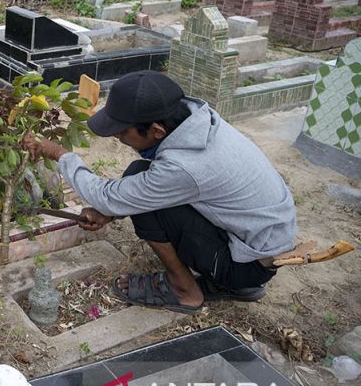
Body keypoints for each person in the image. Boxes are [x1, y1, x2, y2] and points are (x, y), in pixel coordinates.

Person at [23, 70, 297, 314]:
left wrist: (59, 154)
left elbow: (108, 196)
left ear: (156, 130)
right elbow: (157, 192)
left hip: (248, 266)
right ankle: (237, 285)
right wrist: (110, 214)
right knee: (141, 180)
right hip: (257, 244)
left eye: (122, 132)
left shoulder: (184, 165)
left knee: (139, 180)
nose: (118, 138)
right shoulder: (197, 122)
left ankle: (185, 290)